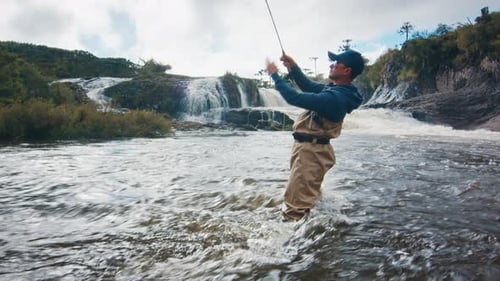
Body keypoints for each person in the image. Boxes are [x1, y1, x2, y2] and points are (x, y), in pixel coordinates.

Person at [266, 49, 364, 221]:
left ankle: (292, 243)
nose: (331, 65)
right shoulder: (338, 90)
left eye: (336, 63)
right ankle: (312, 233)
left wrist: (275, 76)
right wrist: (293, 67)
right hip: (310, 149)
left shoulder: (335, 98)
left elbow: (294, 98)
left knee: (295, 207)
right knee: (305, 197)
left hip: (311, 153)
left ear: (346, 71)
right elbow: (308, 86)